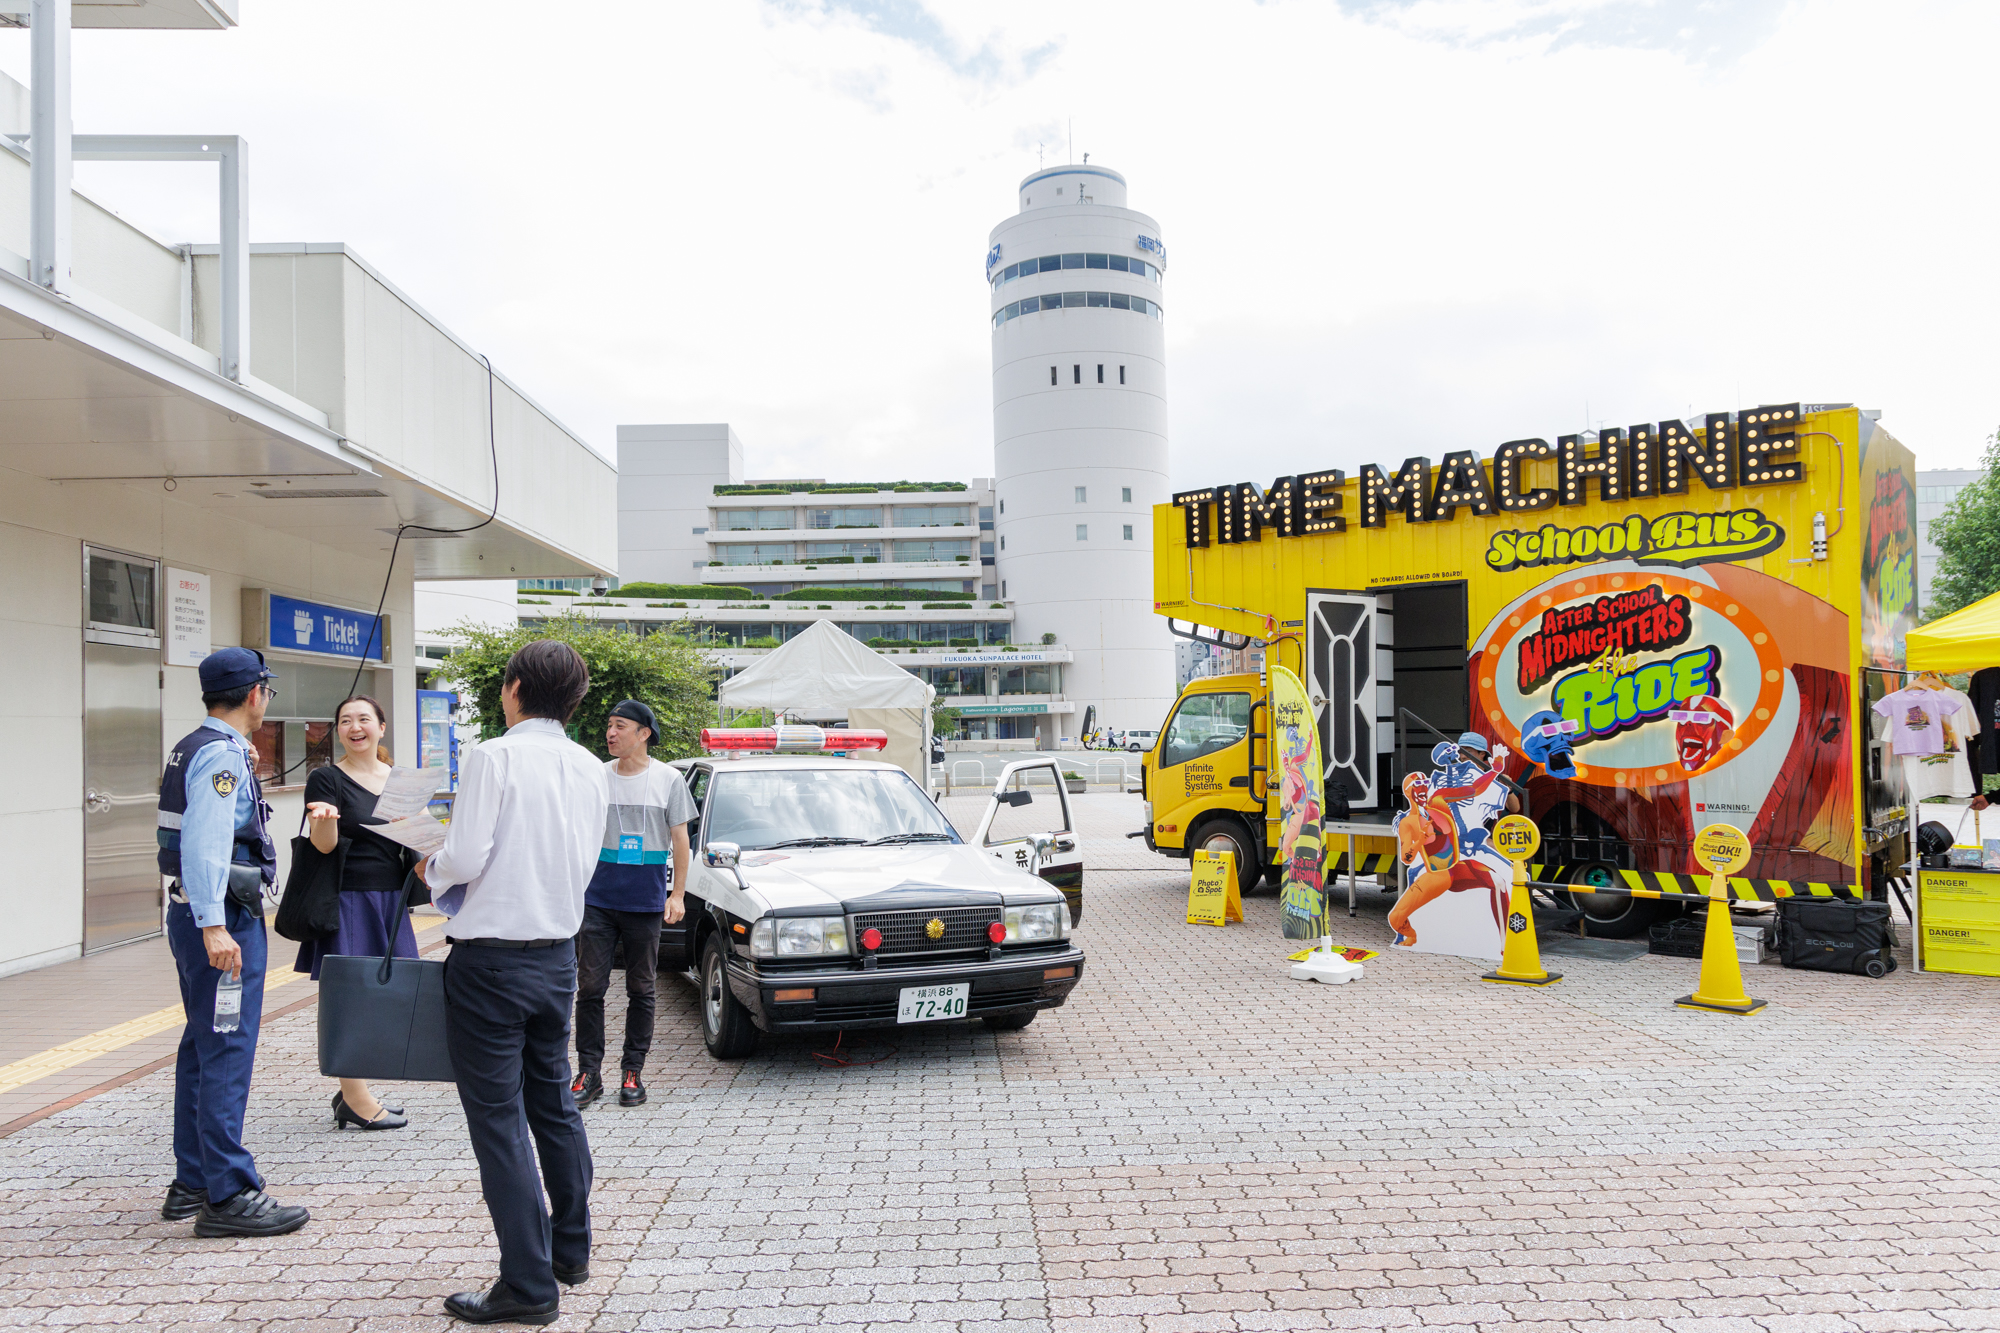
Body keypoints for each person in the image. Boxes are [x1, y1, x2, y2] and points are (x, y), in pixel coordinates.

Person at [418, 641, 609, 1327]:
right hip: (557, 956)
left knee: (499, 1120)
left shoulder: (493, 757)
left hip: (490, 963)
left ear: (516, 687)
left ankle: (527, 1285)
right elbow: (585, 860)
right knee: (553, 1103)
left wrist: (433, 867)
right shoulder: (590, 766)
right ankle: (570, 1251)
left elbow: (466, 855)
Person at [156, 647, 310, 1238]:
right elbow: (206, 841)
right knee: (226, 1047)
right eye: (267, 690)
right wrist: (214, 924)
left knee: (203, 1045)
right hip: (221, 919)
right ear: (254, 694)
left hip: (194, 913)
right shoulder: (221, 755)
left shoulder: (194, 745)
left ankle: (193, 1180)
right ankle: (229, 1193)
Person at [296, 695, 419, 1131]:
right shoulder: (326, 779)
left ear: (381, 727)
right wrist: (324, 819)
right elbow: (324, 846)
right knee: (349, 997)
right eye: (345, 720)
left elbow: (414, 837)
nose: (354, 727)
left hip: (389, 899)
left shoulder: (399, 779)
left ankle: (353, 1088)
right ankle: (354, 1096)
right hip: (348, 899)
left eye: (364, 719)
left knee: (381, 995)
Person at [572, 699, 693, 1110]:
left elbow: (680, 840)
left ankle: (632, 1071)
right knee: (590, 987)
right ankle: (588, 1072)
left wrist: (677, 894)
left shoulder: (668, 779)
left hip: (644, 902)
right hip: (597, 899)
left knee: (641, 988)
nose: (610, 733)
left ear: (644, 733)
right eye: (609, 725)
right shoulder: (596, 776)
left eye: (619, 725)